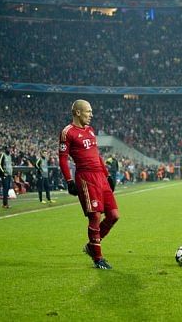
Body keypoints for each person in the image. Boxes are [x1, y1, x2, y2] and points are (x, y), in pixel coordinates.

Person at [59, 99, 119, 270]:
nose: (91, 115)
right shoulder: (67, 132)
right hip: (86, 177)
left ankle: (92, 246)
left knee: (114, 215)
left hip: (100, 176)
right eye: (88, 111)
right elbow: (63, 159)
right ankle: (98, 258)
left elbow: (97, 155)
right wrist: (69, 181)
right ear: (78, 112)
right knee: (95, 216)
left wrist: (107, 175)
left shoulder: (91, 131)